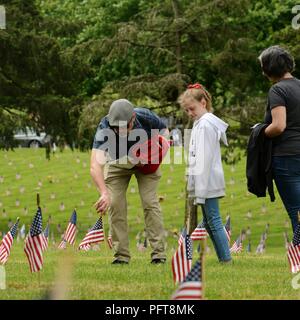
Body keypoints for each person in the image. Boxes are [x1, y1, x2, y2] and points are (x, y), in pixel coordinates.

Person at [90, 99, 169, 264]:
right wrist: (104, 193)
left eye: (125, 126)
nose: (120, 131)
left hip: (146, 163)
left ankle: (159, 255)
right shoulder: (104, 128)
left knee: (149, 202)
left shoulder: (145, 116)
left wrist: (157, 152)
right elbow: (95, 165)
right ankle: (121, 256)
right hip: (117, 163)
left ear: (133, 118)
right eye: (116, 128)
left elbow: (164, 131)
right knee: (115, 204)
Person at [178, 83, 232, 263]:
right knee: (209, 222)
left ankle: (226, 259)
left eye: (192, 108)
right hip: (203, 181)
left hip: (207, 181)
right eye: (187, 110)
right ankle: (223, 258)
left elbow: (204, 159)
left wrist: (200, 189)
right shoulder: (201, 123)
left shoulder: (206, 125)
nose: (190, 113)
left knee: (214, 221)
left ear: (203, 102)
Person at [259, 45, 300, 232]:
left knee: (296, 212)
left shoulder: (278, 90)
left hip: (286, 157)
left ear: (269, 68)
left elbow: (279, 125)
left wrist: (260, 132)